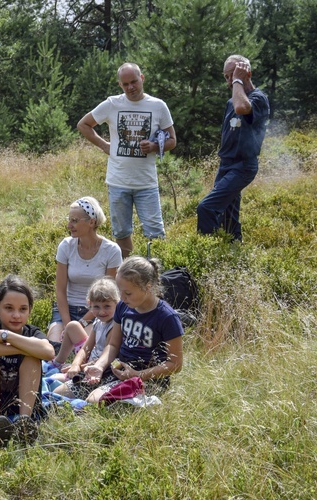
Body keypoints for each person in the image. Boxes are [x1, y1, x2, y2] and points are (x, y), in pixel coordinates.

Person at [77, 62, 177, 258]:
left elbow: (172, 140)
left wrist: (155, 146)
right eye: (125, 84)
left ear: (142, 78)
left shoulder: (158, 106)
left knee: (155, 233)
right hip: (118, 182)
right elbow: (84, 125)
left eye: (134, 82)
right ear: (120, 85)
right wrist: (104, 145)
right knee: (121, 232)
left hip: (146, 183)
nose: (131, 87)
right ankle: (127, 274)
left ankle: (155, 275)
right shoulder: (112, 104)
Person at [76, 255, 184, 404]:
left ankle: (144, 402)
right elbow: (113, 345)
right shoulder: (122, 307)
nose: (122, 297)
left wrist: (139, 375)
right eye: (120, 291)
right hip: (119, 369)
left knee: (94, 400)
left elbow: (175, 364)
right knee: (62, 391)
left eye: (128, 293)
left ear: (148, 287)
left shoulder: (167, 317)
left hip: (149, 379)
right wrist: (99, 366)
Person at [0, 275, 55, 445]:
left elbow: (49, 352)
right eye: (9, 308)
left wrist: (6, 336)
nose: (16, 315)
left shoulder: (31, 332)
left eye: (22, 309)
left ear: (29, 310)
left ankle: (25, 423)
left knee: (32, 357)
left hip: (21, 402)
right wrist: (19, 346)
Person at [197, 55, 270, 242]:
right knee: (228, 216)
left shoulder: (258, 99)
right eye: (227, 77)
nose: (230, 81)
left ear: (248, 74)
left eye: (233, 76)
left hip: (243, 166)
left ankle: (204, 252)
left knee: (206, 207)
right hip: (226, 165)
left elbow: (241, 108)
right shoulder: (231, 102)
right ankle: (234, 248)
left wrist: (239, 80)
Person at [47, 197, 122, 345]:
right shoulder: (66, 246)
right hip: (65, 310)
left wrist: (83, 322)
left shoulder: (111, 250)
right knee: (54, 347)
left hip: (96, 311)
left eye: (74, 220)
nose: (69, 225)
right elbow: (60, 290)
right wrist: (68, 325)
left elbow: (108, 294)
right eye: (69, 220)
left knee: (84, 348)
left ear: (91, 222)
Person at [52, 276, 119, 398]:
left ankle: (65, 373)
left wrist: (80, 368)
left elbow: (106, 358)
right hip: (88, 360)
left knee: (53, 382)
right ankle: (57, 362)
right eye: (96, 307)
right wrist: (75, 364)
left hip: (97, 368)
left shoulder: (114, 326)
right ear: (90, 304)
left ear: (117, 303)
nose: (102, 312)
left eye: (107, 306)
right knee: (72, 325)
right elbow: (86, 348)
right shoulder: (98, 322)